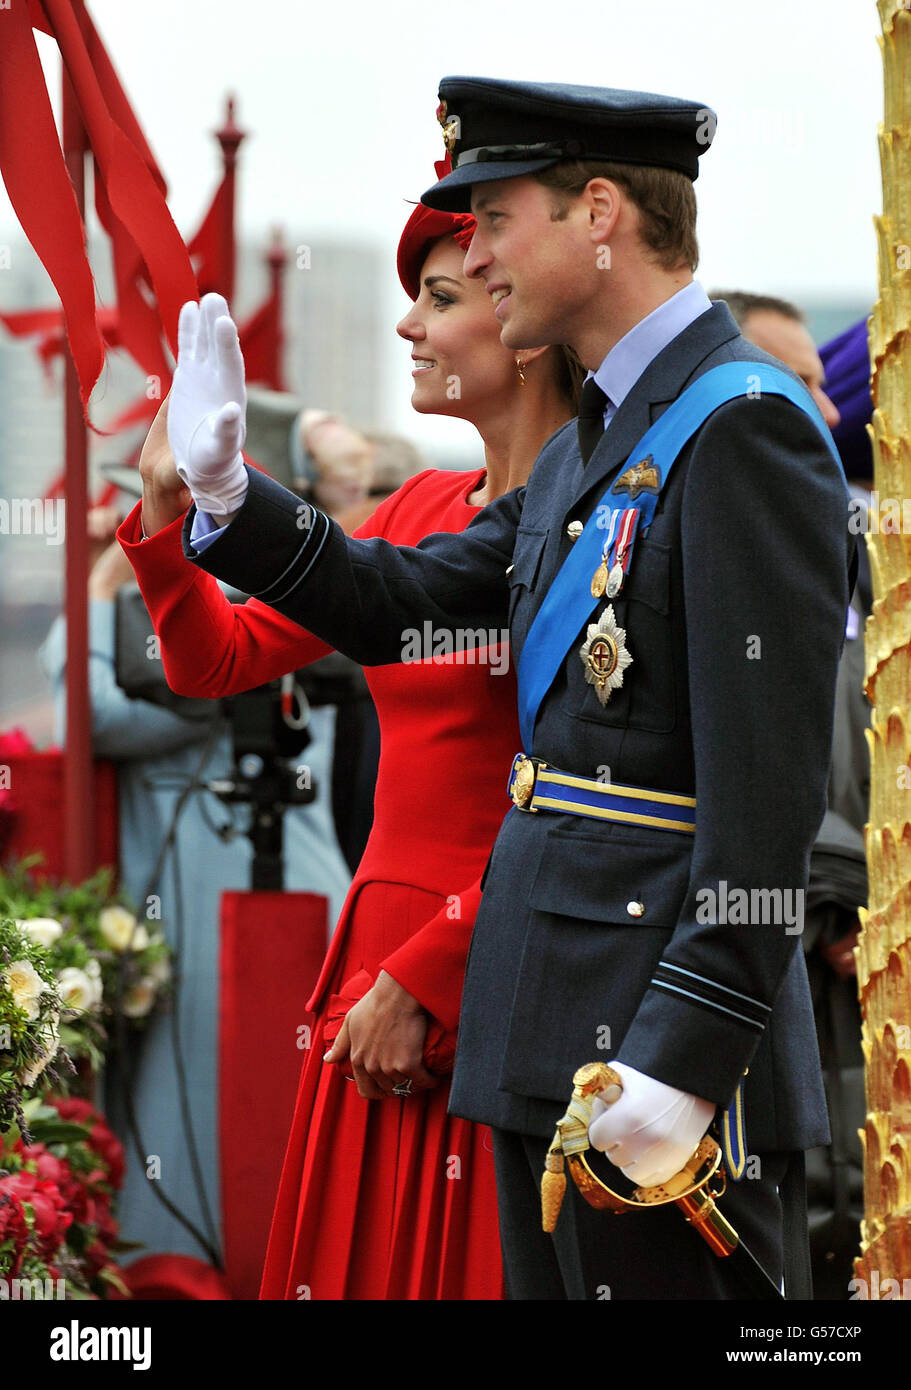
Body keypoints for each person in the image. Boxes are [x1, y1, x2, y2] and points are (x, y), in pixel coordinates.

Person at [167, 77, 856, 1301]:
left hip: (656, 1052)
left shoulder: (736, 421)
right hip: (548, 1023)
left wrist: (680, 1062)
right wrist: (229, 498)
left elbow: (767, 794)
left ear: (599, 212)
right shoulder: (607, 433)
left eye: (493, 215)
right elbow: (411, 601)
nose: (475, 250)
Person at [118, 175, 580, 1298]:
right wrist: (170, 513)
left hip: (488, 958)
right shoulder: (419, 505)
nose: (407, 326)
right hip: (373, 958)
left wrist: (431, 968)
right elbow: (214, 660)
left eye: (436, 298)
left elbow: (590, 787)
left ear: (521, 325)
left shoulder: (593, 521)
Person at [39, 506, 351, 1269]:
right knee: (191, 1092)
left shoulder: (237, 637)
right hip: (230, 886)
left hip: (247, 895)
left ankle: (201, 1268)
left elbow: (84, 708)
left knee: (214, 1093)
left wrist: (108, 577)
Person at [714, 290, 869, 1297]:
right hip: (796, 945)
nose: (823, 409)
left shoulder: (852, 539)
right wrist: (834, 897)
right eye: (796, 381)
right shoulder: (726, 541)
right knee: (815, 1200)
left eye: (824, 380)